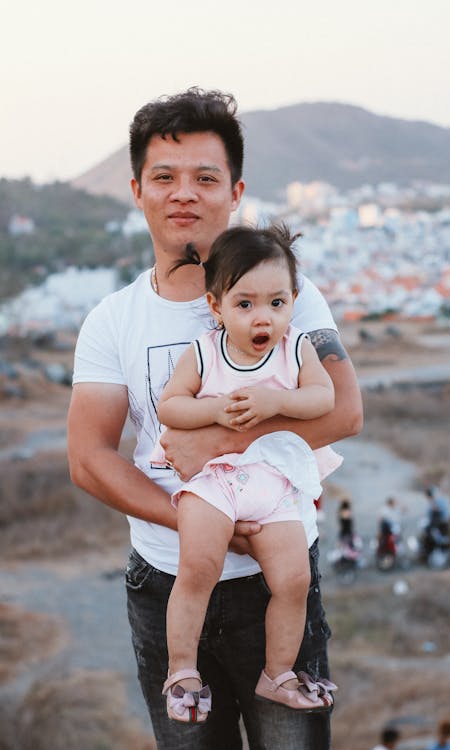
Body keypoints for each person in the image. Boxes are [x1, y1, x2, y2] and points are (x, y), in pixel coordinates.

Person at [67, 87, 363, 750]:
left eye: (205, 177)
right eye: (165, 177)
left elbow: (343, 409)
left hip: (276, 576)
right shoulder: (112, 321)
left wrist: (230, 441)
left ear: (235, 191)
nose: (184, 194)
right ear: (138, 187)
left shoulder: (283, 293)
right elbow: (89, 459)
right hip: (168, 580)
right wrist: (203, 520)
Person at [157, 225, 339, 721]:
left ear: (294, 301)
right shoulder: (204, 352)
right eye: (245, 305)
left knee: (294, 579)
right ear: (216, 306)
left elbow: (325, 398)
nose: (264, 317)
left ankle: (277, 672)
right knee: (197, 568)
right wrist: (214, 411)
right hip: (215, 481)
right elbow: (170, 407)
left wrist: (279, 399)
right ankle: (181, 671)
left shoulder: (295, 348)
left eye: (277, 303)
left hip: (275, 485)